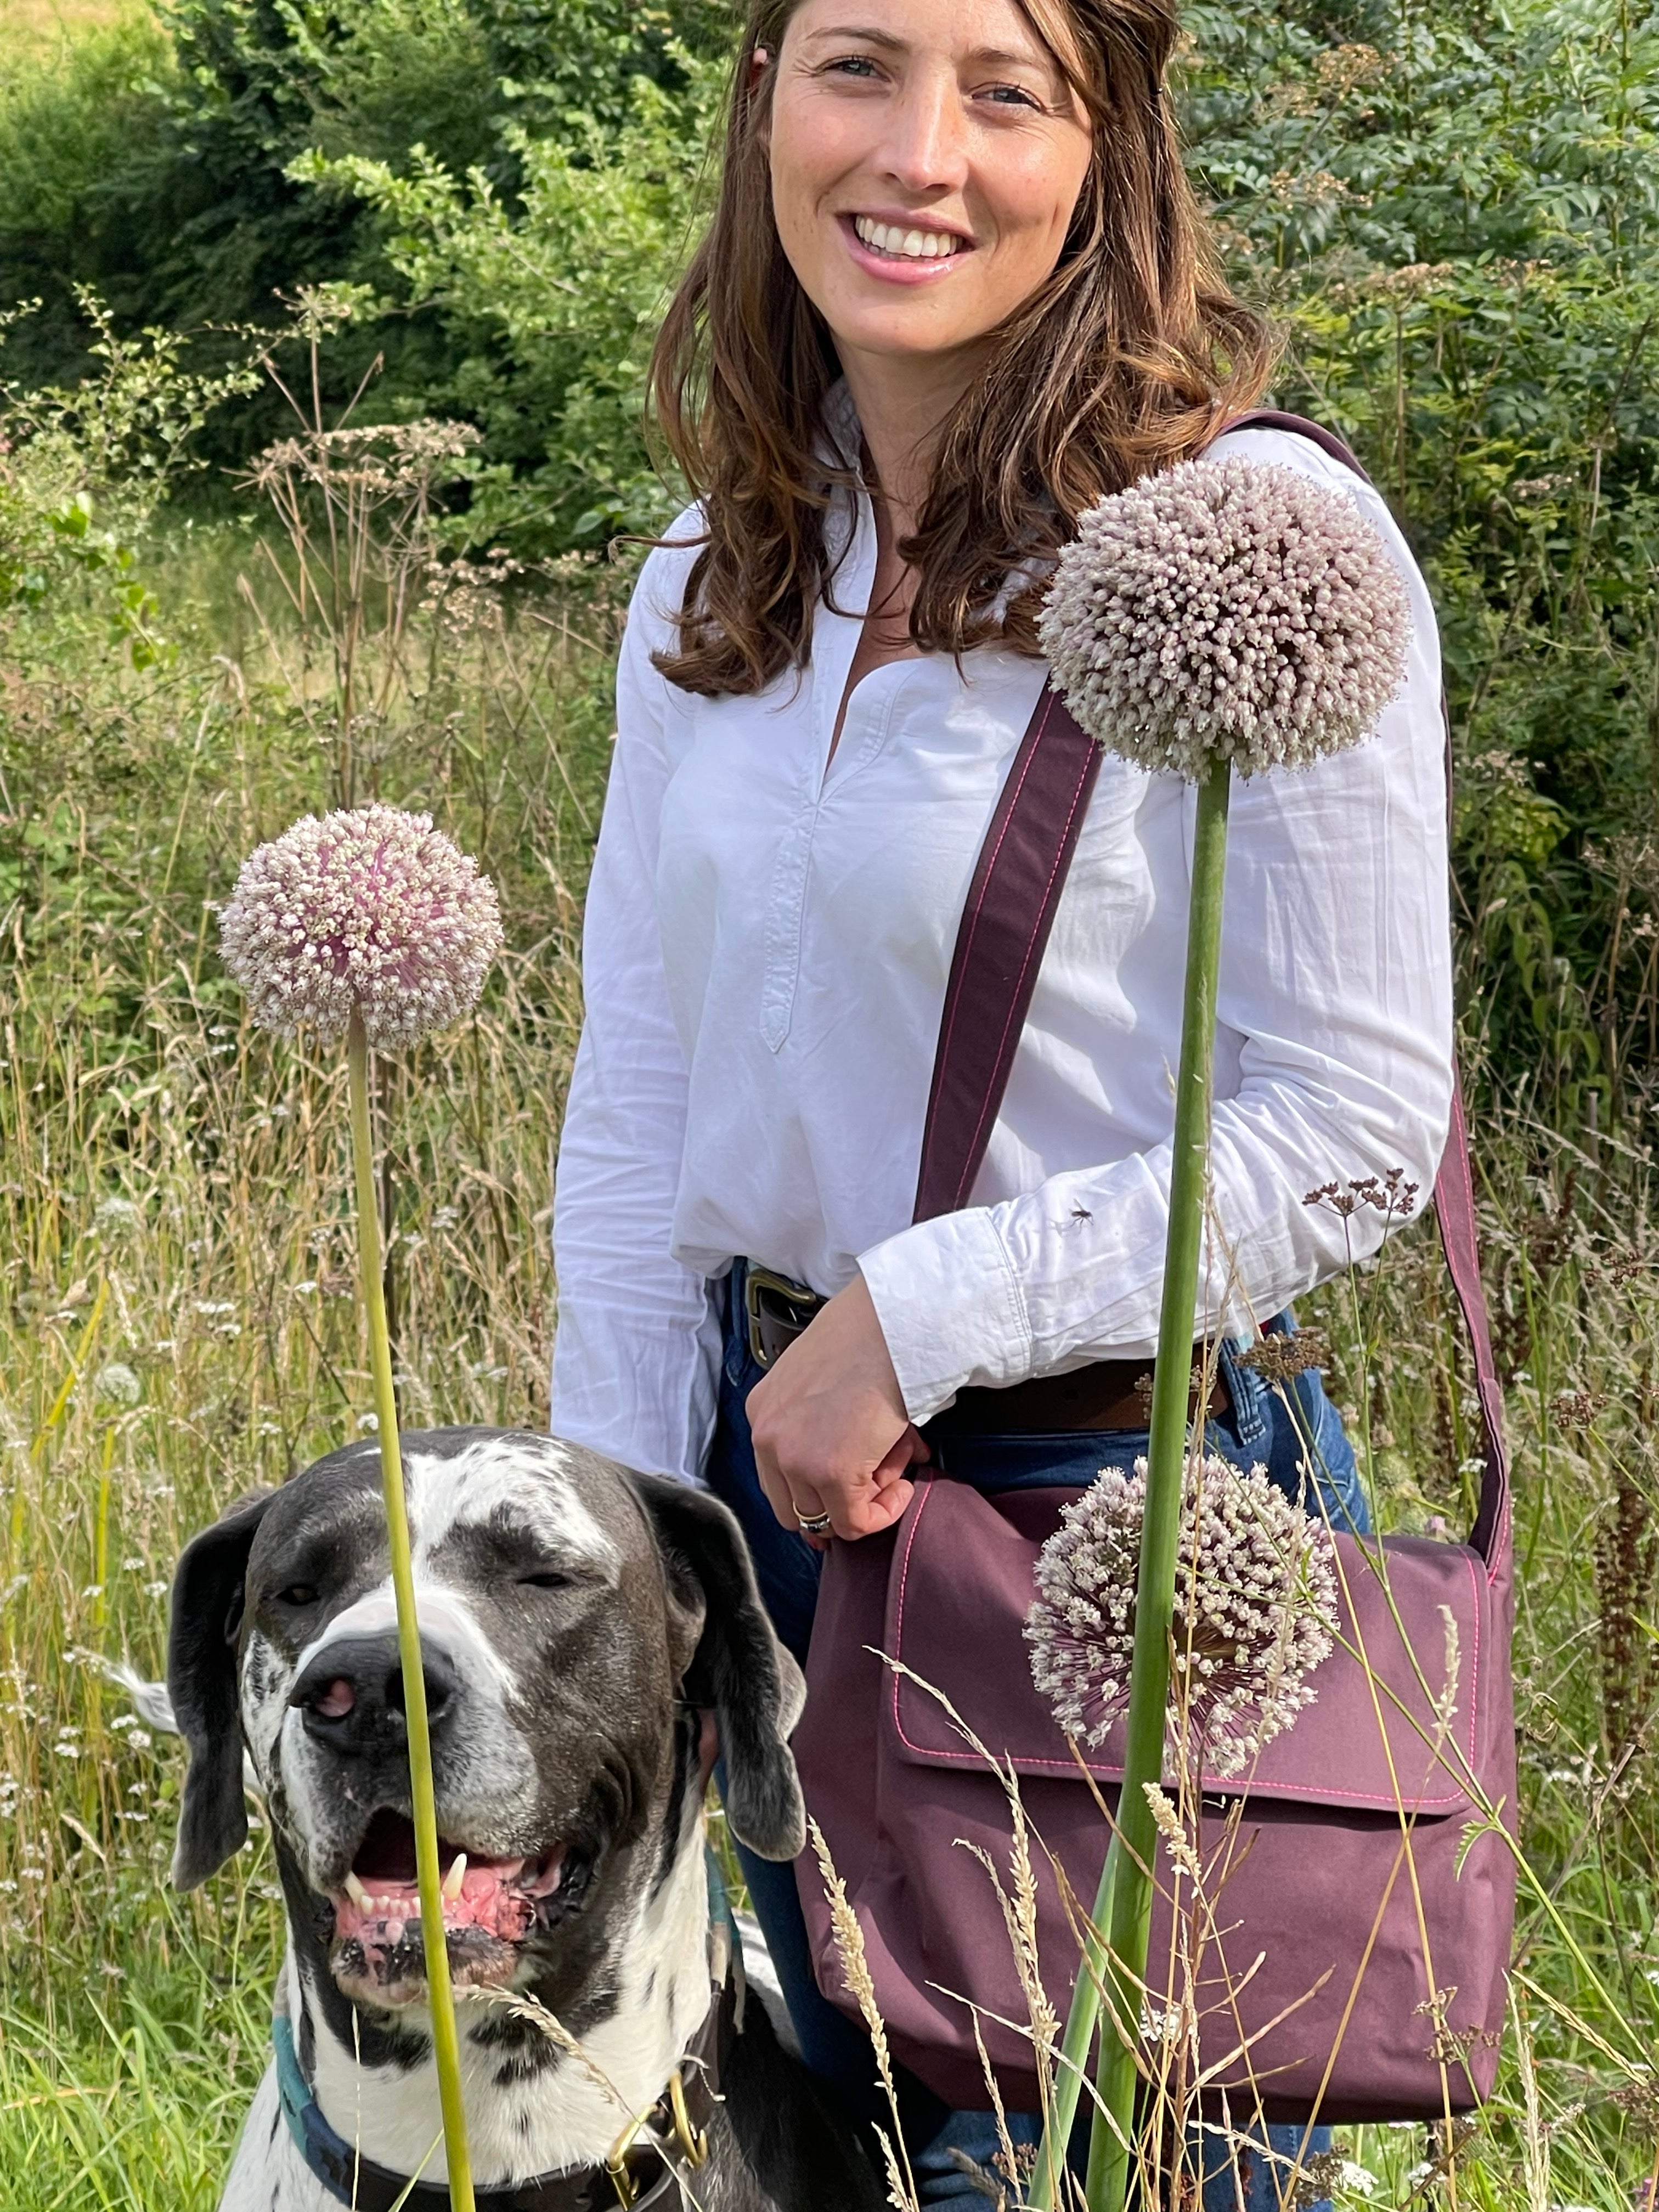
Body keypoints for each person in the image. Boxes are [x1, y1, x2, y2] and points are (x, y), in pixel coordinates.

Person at [551, 0, 1453, 2202]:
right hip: (759, 1504)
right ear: (765, 93)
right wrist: (606, 1536)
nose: (921, 154)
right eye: (860, 65)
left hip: (1111, 1519)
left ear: (1107, 138)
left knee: (1115, 2170)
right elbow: (644, 1089)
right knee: (843, 2148)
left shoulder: (1255, 542)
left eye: (1009, 90)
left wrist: (918, 1316)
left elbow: (1353, 1112)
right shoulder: (722, 568)